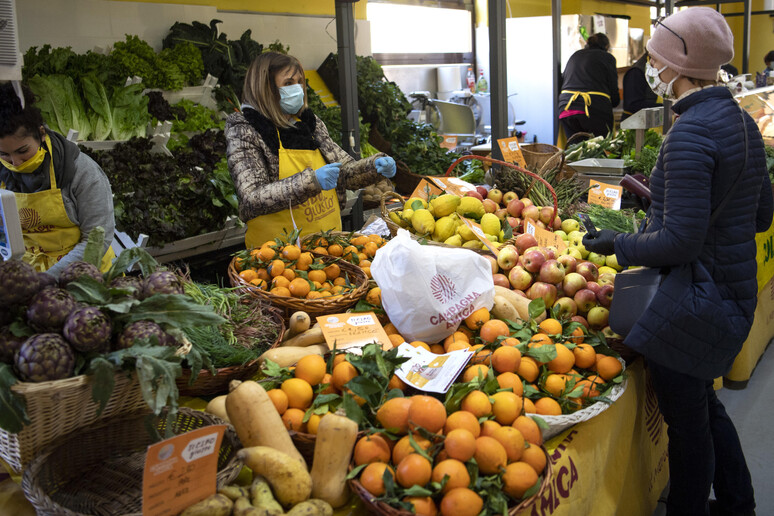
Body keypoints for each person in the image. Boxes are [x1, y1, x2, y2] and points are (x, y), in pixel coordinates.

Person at [583, 8, 772, 516]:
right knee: (705, 411)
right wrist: (666, 203)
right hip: (733, 294)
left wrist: (614, 245)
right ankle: (738, 504)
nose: (650, 67)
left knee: (689, 429)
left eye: (655, 58)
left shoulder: (689, 132)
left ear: (676, 65)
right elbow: (760, 214)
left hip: (693, 303)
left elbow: (679, 246)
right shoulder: (740, 123)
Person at [225, 52, 396, 248]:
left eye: (299, 82)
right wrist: (311, 181)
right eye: (288, 83)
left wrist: (374, 167)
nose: (297, 89)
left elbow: (344, 171)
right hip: (279, 257)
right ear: (266, 88)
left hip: (328, 245)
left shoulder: (309, 123)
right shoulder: (246, 130)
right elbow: (252, 198)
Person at [0, 82, 115, 277]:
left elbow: (96, 240)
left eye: (23, 151)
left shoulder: (83, 172)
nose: (16, 162)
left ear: (41, 133)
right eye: (4, 154)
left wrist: (50, 279)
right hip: (25, 273)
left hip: (82, 273)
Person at [558, 33, 620, 138]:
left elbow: (563, 80)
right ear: (606, 47)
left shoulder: (575, 55)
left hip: (566, 108)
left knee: (574, 150)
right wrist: (615, 101)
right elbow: (613, 89)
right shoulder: (607, 58)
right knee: (600, 149)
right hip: (594, 109)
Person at [622, 51, 661, 121]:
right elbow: (633, 105)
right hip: (636, 124)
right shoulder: (636, 71)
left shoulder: (654, 69)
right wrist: (666, 107)